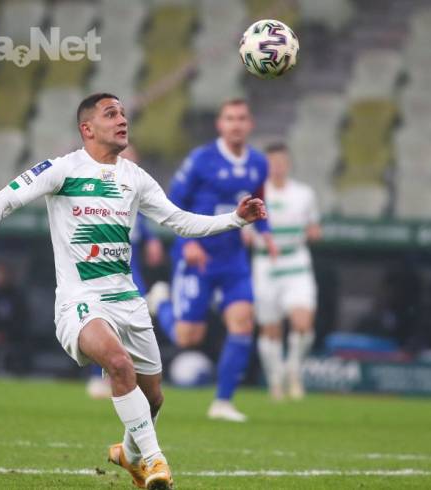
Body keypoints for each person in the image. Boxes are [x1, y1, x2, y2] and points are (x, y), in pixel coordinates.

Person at [0, 93, 268, 490]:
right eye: (111, 114)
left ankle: (130, 454)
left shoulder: (135, 177)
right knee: (117, 363)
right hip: (81, 302)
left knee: (154, 398)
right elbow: (5, 199)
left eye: (123, 114)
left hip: (128, 301)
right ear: (88, 128)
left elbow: (181, 222)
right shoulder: (62, 169)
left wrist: (236, 218)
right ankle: (156, 461)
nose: (122, 120)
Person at [149, 98, 277, 422]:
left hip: (233, 258)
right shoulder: (200, 160)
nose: (236, 124)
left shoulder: (258, 163)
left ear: (250, 124)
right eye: (230, 118)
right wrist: (186, 242)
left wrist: (266, 233)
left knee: (243, 322)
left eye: (241, 118)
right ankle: (161, 302)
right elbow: (172, 204)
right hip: (197, 257)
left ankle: (222, 402)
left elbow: (258, 201)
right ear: (220, 124)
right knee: (187, 337)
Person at [87, 146, 165, 400]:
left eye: (133, 159)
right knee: (101, 319)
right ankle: (98, 375)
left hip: (131, 268)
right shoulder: (98, 186)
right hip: (104, 265)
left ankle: (126, 375)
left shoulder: (135, 191)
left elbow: (141, 220)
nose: (129, 163)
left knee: (132, 319)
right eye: (125, 157)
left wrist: (152, 240)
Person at [250, 143, 321, 400]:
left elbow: (314, 227)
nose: (277, 167)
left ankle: (293, 369)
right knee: (270, 328)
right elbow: (244, 230)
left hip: (296, 262)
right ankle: (275, 378)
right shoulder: (255, 194)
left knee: (303, 323)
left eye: (281, 162)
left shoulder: (304, 194)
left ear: (288, 164)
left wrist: (314, 232)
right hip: (266, 263)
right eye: (272, 162)